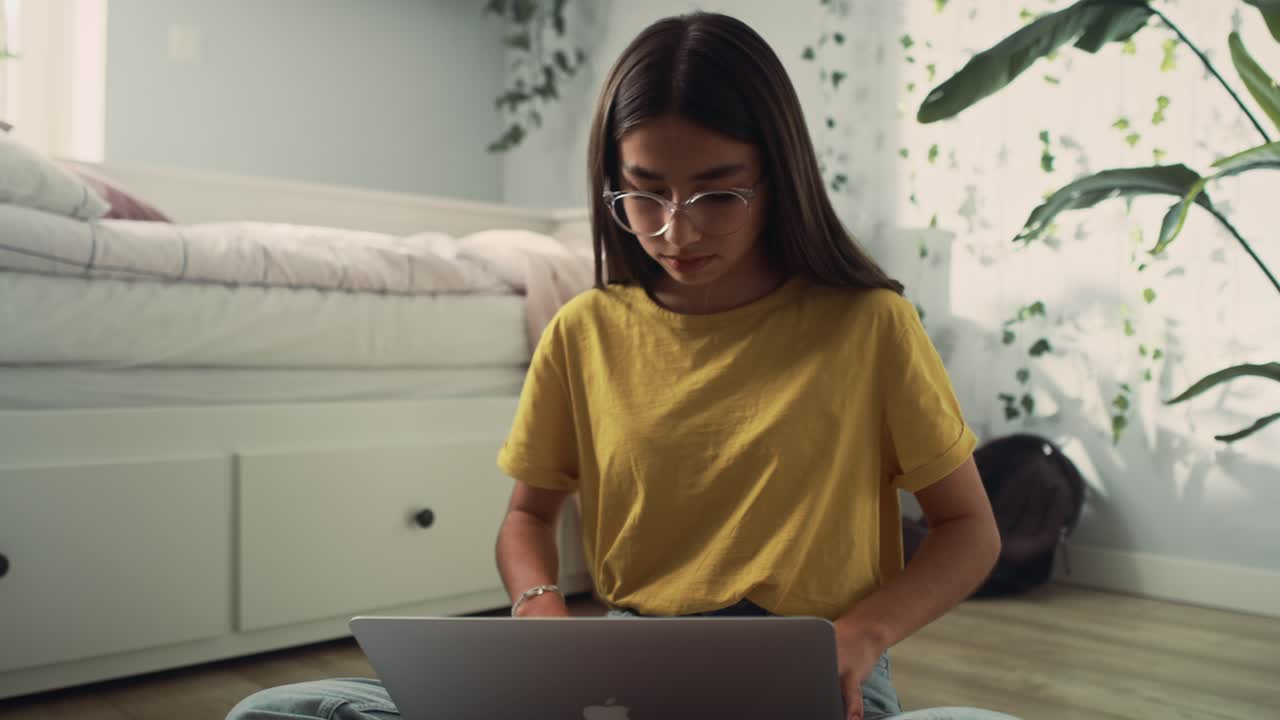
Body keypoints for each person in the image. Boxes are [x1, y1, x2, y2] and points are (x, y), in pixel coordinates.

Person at [229, 12, 1017, 720]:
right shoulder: (585, 331)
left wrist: (861, 635)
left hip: (816, 671)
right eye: (644, 194)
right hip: (623, 673)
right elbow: (528, 517)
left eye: (716, 195)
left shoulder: (868, 324)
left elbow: (968, 530)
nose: (676, 231)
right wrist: (538, 609)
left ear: (778, 178)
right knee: (276, 711)